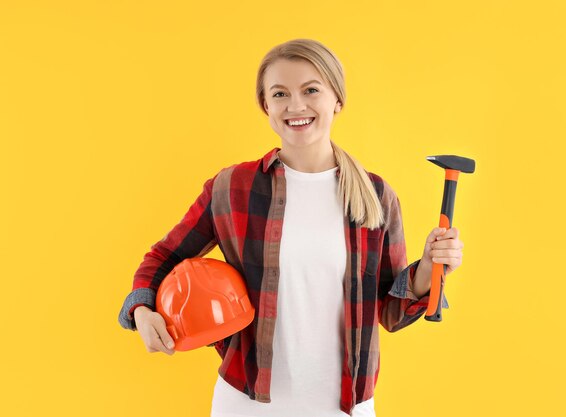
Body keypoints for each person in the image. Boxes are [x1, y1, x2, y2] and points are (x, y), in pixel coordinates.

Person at [117, 38, 464, 417]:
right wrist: (142, 310)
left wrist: (428, 270)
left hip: (346, 407)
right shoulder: (232, 187)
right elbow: (163, 257)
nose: (295, 106)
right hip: (246, 405)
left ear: (337, 100)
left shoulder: (376, 196)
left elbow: (392, 312)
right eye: (280, 94)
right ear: (266, 106)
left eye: (311, 90)